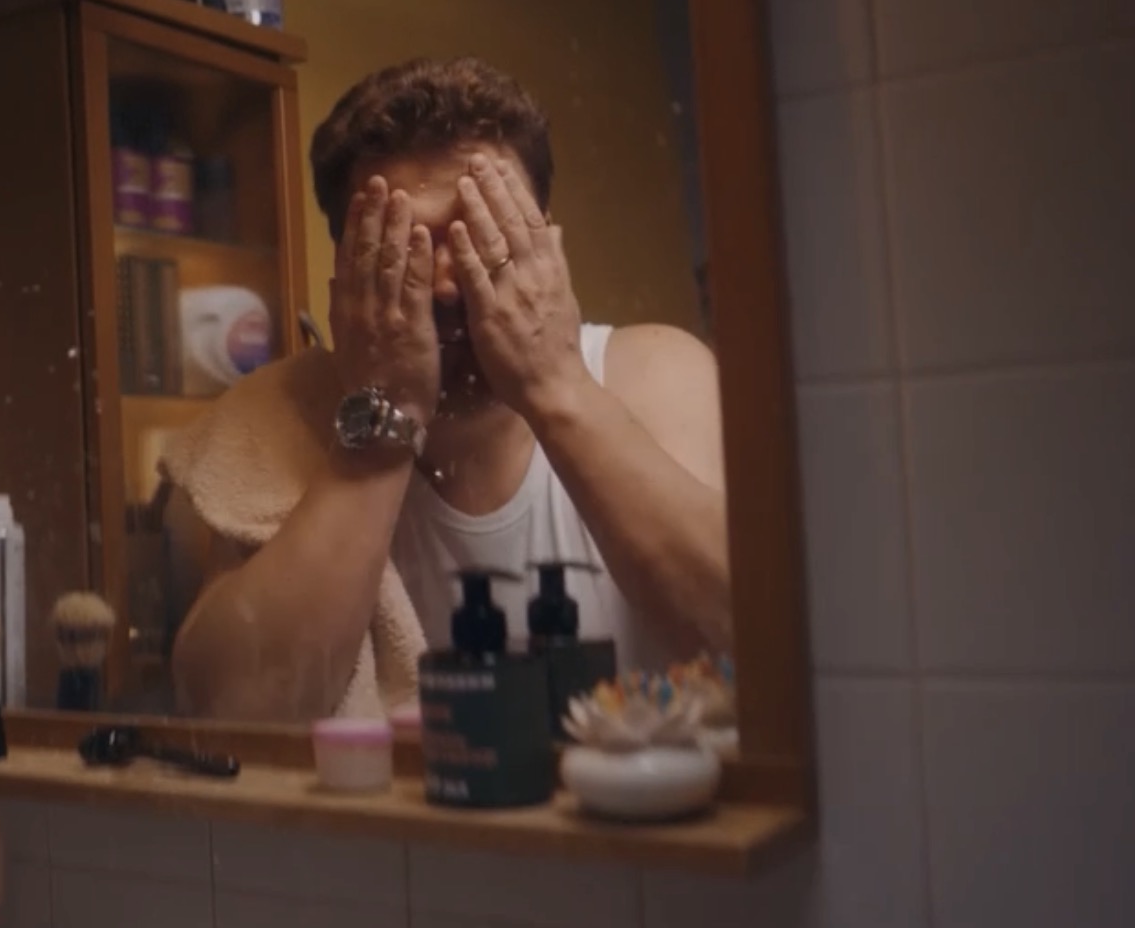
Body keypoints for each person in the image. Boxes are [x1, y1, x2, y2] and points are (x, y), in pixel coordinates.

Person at [164, 57, 729, 722]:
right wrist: (384, 421)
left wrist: (557, 385)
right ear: (346, 277)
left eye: (481, 237)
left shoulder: (656, 372)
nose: (445, 285)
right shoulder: (283, 415)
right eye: (403, 247)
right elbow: (233, 713)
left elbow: (753, 641)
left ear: (547, 250)